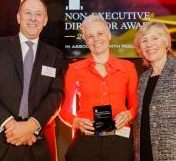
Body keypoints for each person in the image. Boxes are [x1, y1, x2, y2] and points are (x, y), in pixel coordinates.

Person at [59, 15, 138, 161]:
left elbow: (136, 106)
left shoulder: (128, 68)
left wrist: (129, 114)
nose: (96, 39)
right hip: (86, 141)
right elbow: (64, 110)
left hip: (119, 141)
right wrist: (75, 122)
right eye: (90, 36)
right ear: (86, 40)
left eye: (100, 33)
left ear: (108, 35)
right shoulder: (74, 70)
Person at [0, 0, 65, 161]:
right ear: (19, 17)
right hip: (0, 142)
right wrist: (10, 124)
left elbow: (57, 95)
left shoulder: (55, 56)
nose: (33, 18)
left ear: (46, 20)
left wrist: (31, 125)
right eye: (28, 13)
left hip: (37, 145)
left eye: (39, 14)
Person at [134, 21, 176, 161]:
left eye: (155, 38)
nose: (149, 45)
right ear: (140, 48)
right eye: (144, 41)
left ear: (166, 42)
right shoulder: (143, 79)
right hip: (145, 153)